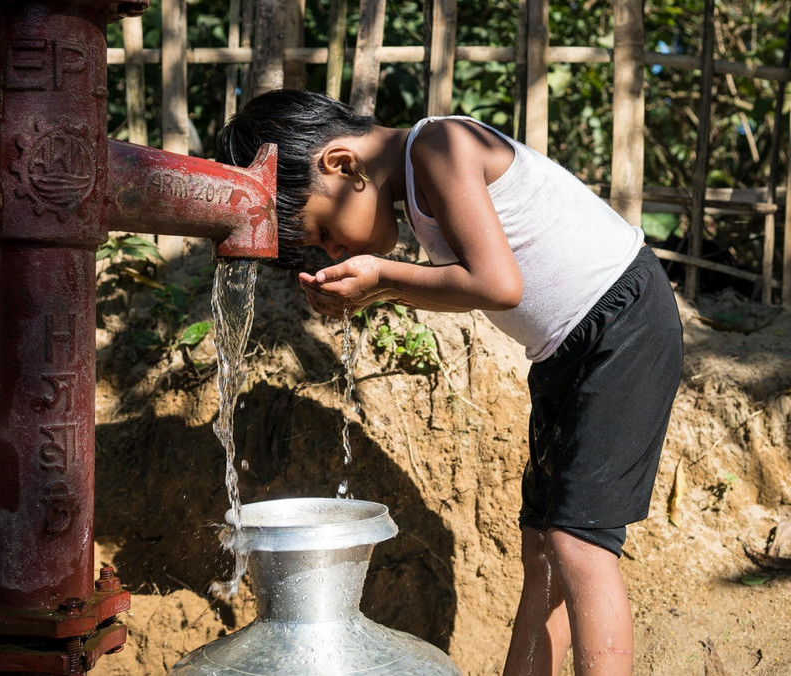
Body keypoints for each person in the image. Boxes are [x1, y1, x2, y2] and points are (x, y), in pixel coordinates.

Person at [217, 89, 683, 676]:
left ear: (341, 166)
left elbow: (496, 285)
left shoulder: (440, 145)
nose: (334, 249)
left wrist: (383, 277)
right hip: (567, 349)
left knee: (579, 544)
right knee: (543, 549)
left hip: (624, 324)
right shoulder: (418, 181)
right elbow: (477, 284)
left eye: (325, 233)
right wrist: (379, 285)